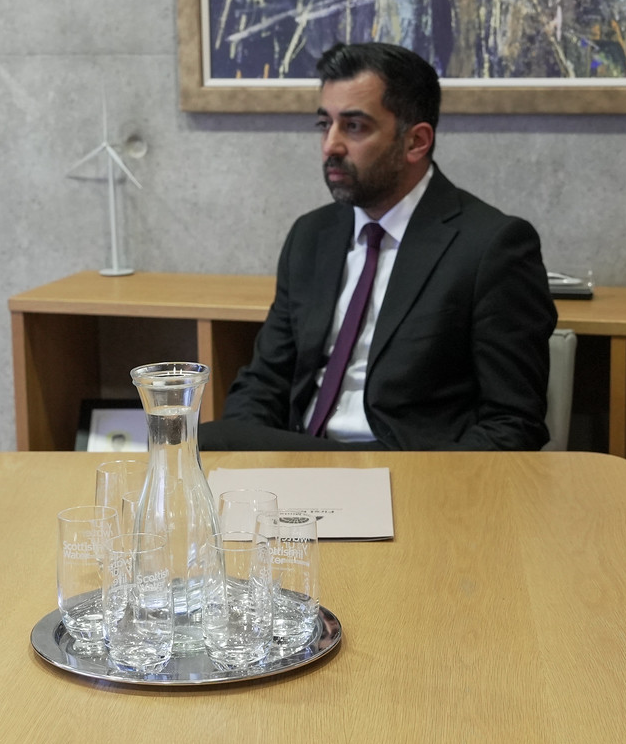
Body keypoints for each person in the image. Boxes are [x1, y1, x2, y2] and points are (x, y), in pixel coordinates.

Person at [200, 42, 557, 451]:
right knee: (207, 444)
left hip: (409, 469)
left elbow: (512, 422)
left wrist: (433, 489)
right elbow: (266, 380)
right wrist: (248, 470)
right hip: (304, 460)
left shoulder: (491, 246)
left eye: (354, 127)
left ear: (416, 142)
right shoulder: (311, 236)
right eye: (325, 124)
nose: (330, 146)